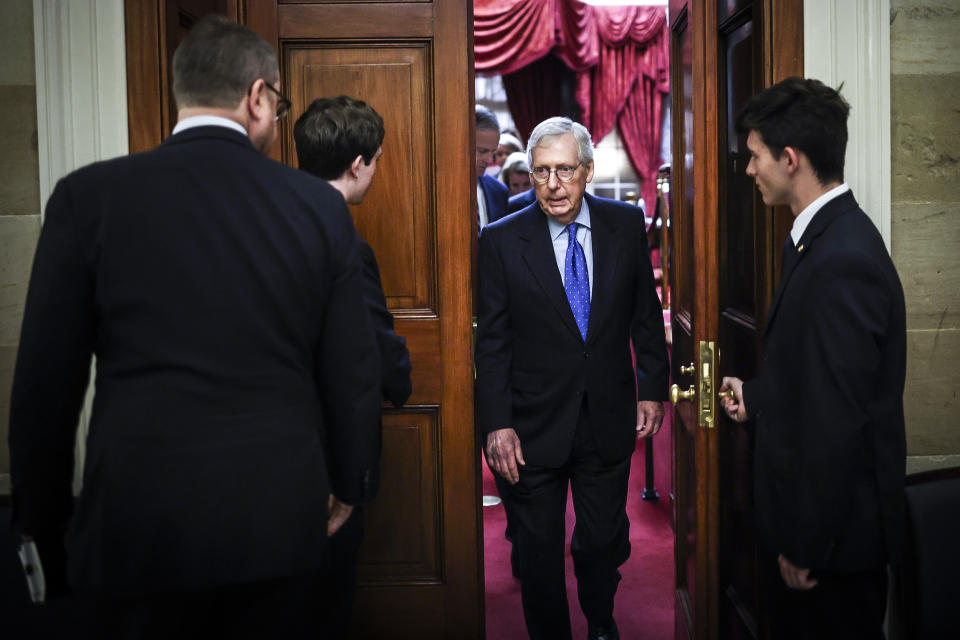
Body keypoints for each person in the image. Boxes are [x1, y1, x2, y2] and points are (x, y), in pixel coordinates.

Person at [7, 16, 382, 638]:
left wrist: (43, 530)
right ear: (257, 97)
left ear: (185, 93)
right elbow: (352, 368)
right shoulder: (318, 207)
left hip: (134, 516)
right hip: (276, 516)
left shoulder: (87, 197)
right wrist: (350, 483)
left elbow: (45, 388)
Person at [719, 77, 906, 640]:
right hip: (827, 541)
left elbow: (838, 420)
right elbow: (816, 374)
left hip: (832, 552)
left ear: (791, 158)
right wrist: (755, 397)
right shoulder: (816, 238)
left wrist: (805, 545)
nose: (749, 170)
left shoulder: (840, 259)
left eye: (755, 156)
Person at [476, 116, 669, 640]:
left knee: (602, 543)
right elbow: (491, 342)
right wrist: (497, 424)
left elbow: (645, 317)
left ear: (587, 170)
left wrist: (652, 388)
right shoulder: (499, 240)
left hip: (606, 416)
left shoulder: (624, 226)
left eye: (564, 170)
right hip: (531, 426)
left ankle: (601, 620)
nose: (552, 184)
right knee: (537, 555)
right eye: (541, 172)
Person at [293, 94, 413, 637]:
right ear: (360, 163)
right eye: (378, 161)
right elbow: (367, 358)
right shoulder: (344, 240)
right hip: (320, 460)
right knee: (325, 608)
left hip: (257, 455)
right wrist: (402, 381)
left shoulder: (268, 222)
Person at [476, 105, 509, 230]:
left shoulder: (499, 191)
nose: (489, 160)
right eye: (482, 151)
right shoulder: (437, 190)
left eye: (493, 152)